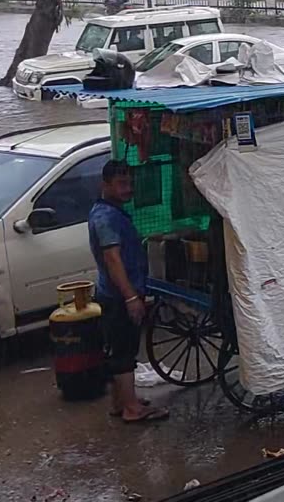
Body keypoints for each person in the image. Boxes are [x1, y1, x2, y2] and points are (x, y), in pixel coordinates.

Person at [88, 161, 168, 423]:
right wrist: (131, 297)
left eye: (130, 184)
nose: (128, 189)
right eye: (121, 184)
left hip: (113, 294)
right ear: (105, 185)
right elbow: (112, 259)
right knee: (124, 353)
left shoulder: (111, 212)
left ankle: (120, 402)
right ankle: (133, 409)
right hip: (118, 296)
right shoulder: (106, 218)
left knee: (118, 351)